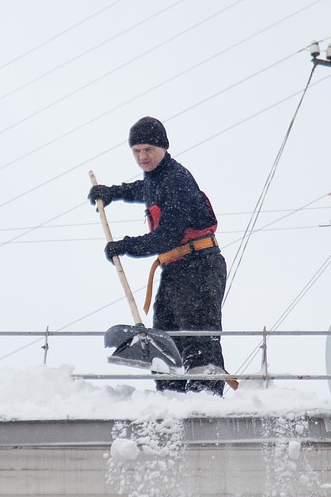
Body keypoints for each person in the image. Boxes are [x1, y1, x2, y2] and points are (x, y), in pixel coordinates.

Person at [88, 116, 228, 394]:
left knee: (196, 334)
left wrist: (126, 245)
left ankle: (206, 394)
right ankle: (171, 393)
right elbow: (144, 189)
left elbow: (168, 235)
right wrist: (112, 193)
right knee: (166, 335)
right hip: (176, 268)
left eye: (148, 150)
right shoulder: (157, 179)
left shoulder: (176, 180)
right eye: (137, 151)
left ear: (163, 147)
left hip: (199, 265)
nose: (142, 157)